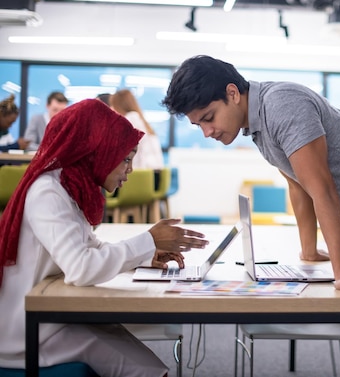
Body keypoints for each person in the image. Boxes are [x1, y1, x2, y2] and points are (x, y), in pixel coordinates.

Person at [163, 55, 340, 377]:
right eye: (199, 124)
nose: (207, 131)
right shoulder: (257, 126)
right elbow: (298, 186)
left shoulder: (281, 106)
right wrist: (308, 251)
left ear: (233, 93)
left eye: (209, 118)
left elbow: (322, 188)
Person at [0, 99, 207, 376]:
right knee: (146, 368)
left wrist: (145, 255)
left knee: (140, 357)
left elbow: (89, 247)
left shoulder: (70, 185)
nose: (130, 170)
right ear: (97, 151)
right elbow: (80, 267)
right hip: (27, 333)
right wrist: (149, 240)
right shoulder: (48, 192)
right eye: (125, 159)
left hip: (52, 317)